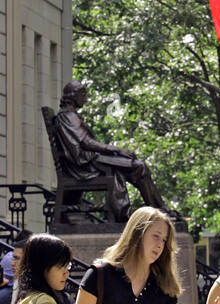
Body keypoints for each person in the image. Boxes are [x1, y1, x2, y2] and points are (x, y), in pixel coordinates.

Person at [54, 81, 163, 223]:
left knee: (135, 167)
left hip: (92, 161)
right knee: (139, 166)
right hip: (86, 165)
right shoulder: (67, 116)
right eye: (83, 94)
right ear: (73, 95)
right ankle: (156, 212)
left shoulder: (71, 115)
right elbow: (86, 143)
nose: (85, 98)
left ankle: (153, 211)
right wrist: (117, 149)